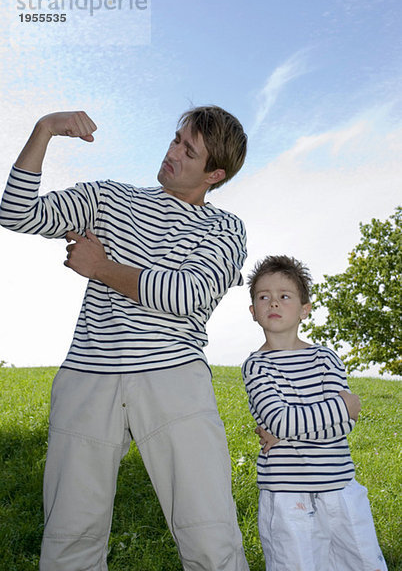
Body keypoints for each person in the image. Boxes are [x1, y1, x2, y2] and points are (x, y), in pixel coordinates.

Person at [0, 107, 250, 571]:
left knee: (210, 536)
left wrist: (101, 268)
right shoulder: (108, 198)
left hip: (173, 376)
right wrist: (44, 131)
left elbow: (188, 294)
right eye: (176, 139)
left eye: (187, 151)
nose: (172, 152)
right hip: (88, 377)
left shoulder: (225, 229)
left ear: (214, 174)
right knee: (69, 537)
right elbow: (15, 211)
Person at [241, 255, 387, 571]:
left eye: (284, 296)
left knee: (360, 563)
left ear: (304, 310)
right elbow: (280, 419)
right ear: (253, 311)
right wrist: (341, 407)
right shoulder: (256, 366)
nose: (273, 303)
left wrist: (286, 433)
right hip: (285, 494)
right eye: (263, 297)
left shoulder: (325, 359)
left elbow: (343, 427)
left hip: (339, 488)